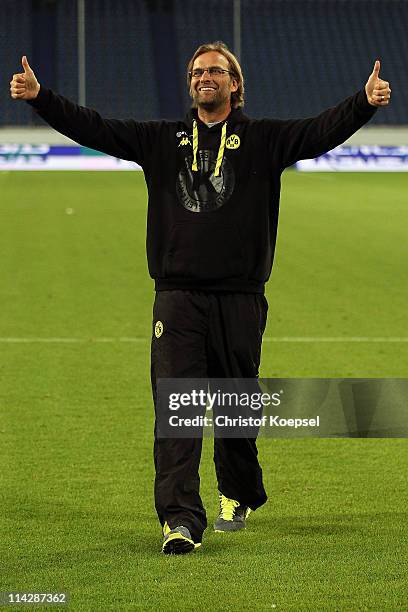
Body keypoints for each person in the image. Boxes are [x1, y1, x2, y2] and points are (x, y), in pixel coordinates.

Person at [10, 41, 391, 555]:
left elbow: (320, 130)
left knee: (237, 406)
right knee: (179, 408)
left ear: (235, 83)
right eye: (196, 72)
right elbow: (93, 127)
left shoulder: (265, 139)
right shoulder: (160, 140)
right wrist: (40, 98)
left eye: (215, 70)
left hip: (240, 296)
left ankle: (237, 491)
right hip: (178, 296)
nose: (203, 77)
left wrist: (363, 103)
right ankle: (180, 519)